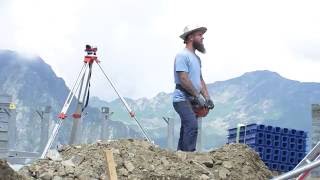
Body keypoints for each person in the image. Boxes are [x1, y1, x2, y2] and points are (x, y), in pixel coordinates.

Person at [173, 25, 214, 152]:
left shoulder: (196, 59)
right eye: (199, 35)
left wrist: (207, 98)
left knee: (187, 127)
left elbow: (200, 80)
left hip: (191, 99)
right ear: (190, 37)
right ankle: (189, 157)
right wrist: (197, 96)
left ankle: (181, 156)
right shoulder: (182, 56)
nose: (203, 37)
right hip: (181, 98)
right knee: (191, 125)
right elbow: (184, 79)